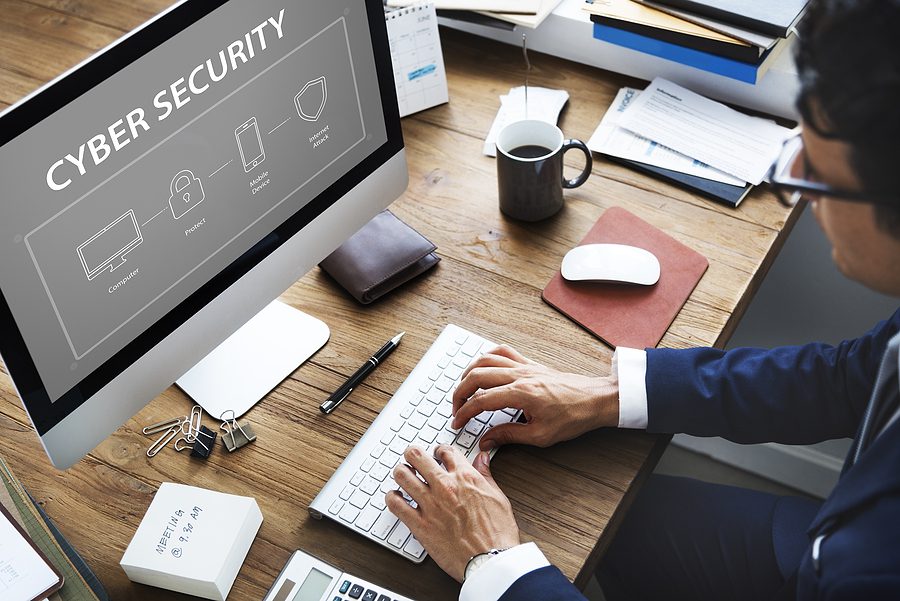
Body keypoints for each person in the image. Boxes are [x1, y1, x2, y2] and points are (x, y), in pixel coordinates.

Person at [383, 0, 900, 599]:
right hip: (827, 540)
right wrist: (609, 394)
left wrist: (495, 562)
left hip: (833, 566)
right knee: (620, 524)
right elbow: (847, 380)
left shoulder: (870, 573)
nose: (802, 196)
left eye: (817, 176)